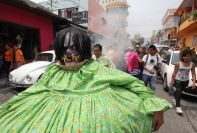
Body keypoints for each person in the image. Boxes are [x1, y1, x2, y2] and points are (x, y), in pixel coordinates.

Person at [0, 27, 172, 132]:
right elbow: (34, 90)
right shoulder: (53, 71)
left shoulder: (96, 68)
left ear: (84, 49)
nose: (68, 52)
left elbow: (133, 83)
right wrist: (11, 106)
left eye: (74, 47)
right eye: (64, 48)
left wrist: (156, 108)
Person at [170, 49, 196, 114]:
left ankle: (175, 99)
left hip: (185, 81)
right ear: (182, 57)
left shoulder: (192, 65)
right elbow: (174, 72)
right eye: (185, 56)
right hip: (178, 80)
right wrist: (172, 80)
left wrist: (194, 82)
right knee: (179, 92)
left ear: (190, 57)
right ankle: (178, 107)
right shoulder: (178, 63)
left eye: (188, 56)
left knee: (180, 91)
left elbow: (193, 73)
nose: (186, 58)